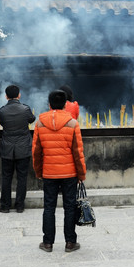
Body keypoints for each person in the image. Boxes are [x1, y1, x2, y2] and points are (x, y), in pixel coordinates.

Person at [33, 90, 86, 253]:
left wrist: (38, 171)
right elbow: (78, 152)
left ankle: (48, 243)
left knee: (49, 207)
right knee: (70, 207)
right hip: (69, 173)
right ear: (65, 104)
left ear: (49, 104)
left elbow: (36, 151)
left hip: (49, 172)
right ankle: (70, 242)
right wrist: (81, 173)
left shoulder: (40, 123)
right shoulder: (72, 123)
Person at [0, 85, 36, 213]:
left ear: (6, 96)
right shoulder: (25, 109)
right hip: (23, 147)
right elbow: (32, 119)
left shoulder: (2, 111)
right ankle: (20, 206)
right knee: (22, 177)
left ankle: (5, 206)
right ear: (19, 95)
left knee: (6, 177)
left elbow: (2, 124)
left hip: (7, 147)